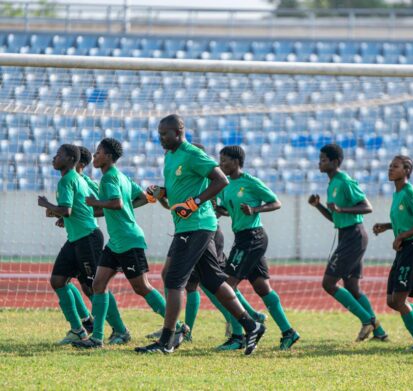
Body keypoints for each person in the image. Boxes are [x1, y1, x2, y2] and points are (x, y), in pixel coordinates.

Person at [134, 114, 265, 354]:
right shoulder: (170, 156)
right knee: (212, 280)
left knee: (173, 280)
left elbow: (221, 180)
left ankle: (166, 341)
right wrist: (160, 192)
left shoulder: (193, 154)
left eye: (165, 133)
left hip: (198, 225)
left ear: (179, 131)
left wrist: (194, 202)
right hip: (187, 226)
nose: (161, 138)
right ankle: (251, 325)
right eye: (159, 133)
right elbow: (176, 193)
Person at [72, 138, 168, 348]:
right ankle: (97, 338)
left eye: (98, 153)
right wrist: (119, 209)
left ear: (107, 156)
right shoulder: (122, 177)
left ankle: (176, 326)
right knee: (98, 284)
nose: (95, 157)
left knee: (142, 287)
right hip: (116, 242)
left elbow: (115, 203)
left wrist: (96, 202)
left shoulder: (109, 179)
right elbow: (142, 198)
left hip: (129, 240)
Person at [214, 145, 299, 351]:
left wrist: (255, 209)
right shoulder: (225, 185)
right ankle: (289, 332)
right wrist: (218, 211)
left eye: (224, 160)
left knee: (226, 285)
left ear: (236, 162)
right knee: (262, 287)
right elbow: (228, 209)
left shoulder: (250, 182)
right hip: (243, 237)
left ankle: (238, 337)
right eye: (220, 159)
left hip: (253, 237)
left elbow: (275, 202)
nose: (221, 163)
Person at [308, 143, 387, 342]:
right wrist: (318, 206)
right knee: (352, 287)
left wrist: (342, 210)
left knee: (328, 283)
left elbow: (366, 207)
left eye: (324, 159)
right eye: (320, 159)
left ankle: (367, 320)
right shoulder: (332, 183)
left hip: (354, 236)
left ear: (336, 162)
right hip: (347, 235)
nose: (320, 162)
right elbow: (335, 217)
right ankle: (379, 332)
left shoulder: (344, 181)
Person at [37, 144, 104, 344]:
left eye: (58, 155)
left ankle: (114, 329)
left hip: (87, 238)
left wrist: (46, 204)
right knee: (58, 280)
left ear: (69, 160)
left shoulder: (67, 180)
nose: (54, 158)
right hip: (77, 238)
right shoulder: (75, 179)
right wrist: (62, 217)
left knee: (94, 287)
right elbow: (74, 210)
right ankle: (78, 329)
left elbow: (66, 210)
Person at [372, 155, 413, 352]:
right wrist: (388, 226)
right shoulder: (397, 194)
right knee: (392, 301)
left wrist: (401, 236)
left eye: (395, 166)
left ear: (406, 170)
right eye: (390, 165)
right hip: (404, 248)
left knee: (399, 300)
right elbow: (407, 220)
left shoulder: (409, 193)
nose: (390, 169)